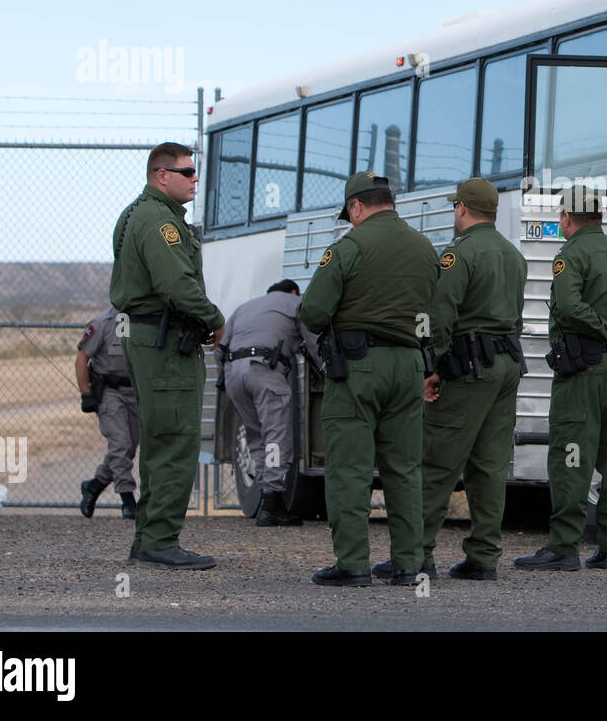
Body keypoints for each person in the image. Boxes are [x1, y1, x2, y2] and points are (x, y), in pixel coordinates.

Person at [371, 178, 527, 582]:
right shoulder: (514, 254)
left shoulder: (458, 255)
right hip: (507, 366)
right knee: (490, 466)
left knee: (436, 461)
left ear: (461, 209)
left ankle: (417, 554)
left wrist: (432, 365)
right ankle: (484, 558)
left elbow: (440, 316)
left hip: (469, 369)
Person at [299, 173, 439, 588]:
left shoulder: (349, 247)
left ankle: (353, 563)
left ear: (356, 206)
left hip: (359, 367)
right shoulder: (426, 248)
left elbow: (313, 312)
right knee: (406, 468)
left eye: (350, 214)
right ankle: (408, 564)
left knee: (350, 467)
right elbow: (435, 313)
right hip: (410, 365)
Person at [515, 184, 607, 573]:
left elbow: (570, 306)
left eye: (560, 216)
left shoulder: (570, 255)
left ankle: (563, 547)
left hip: (584, 370)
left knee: (572, 453)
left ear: (567, 218)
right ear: (600, 217)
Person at [110, 142, 225, 570]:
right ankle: (159, 538)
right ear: (162, 175)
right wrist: (215, 318)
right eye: (187, 172)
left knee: (160, 439)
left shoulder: (136, 214)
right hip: (165, 342)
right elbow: (176, 286)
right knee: (176, 439)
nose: (196, 179)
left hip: (151, 339)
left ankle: (150, 537)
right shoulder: (160, 221)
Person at [219, 279, 323, 526]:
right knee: (276, 435)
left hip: (234, 373)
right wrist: (327, 368)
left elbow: (221, 346)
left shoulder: (245, 307)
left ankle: (267, 494)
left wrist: (226, 376)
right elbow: (312, 340)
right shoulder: (296, 303)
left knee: (257, 437)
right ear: (294, 291)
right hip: (265, 370)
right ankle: (272, 502)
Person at [76, 304, 139, 520]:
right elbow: (82, 359)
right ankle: (128, 500)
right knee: (120, 444)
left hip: (136, 393)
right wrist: (86, 394)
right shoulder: (101, 324)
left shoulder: (144, 321)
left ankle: (94, 485)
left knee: (128, 448)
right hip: (110, 392)